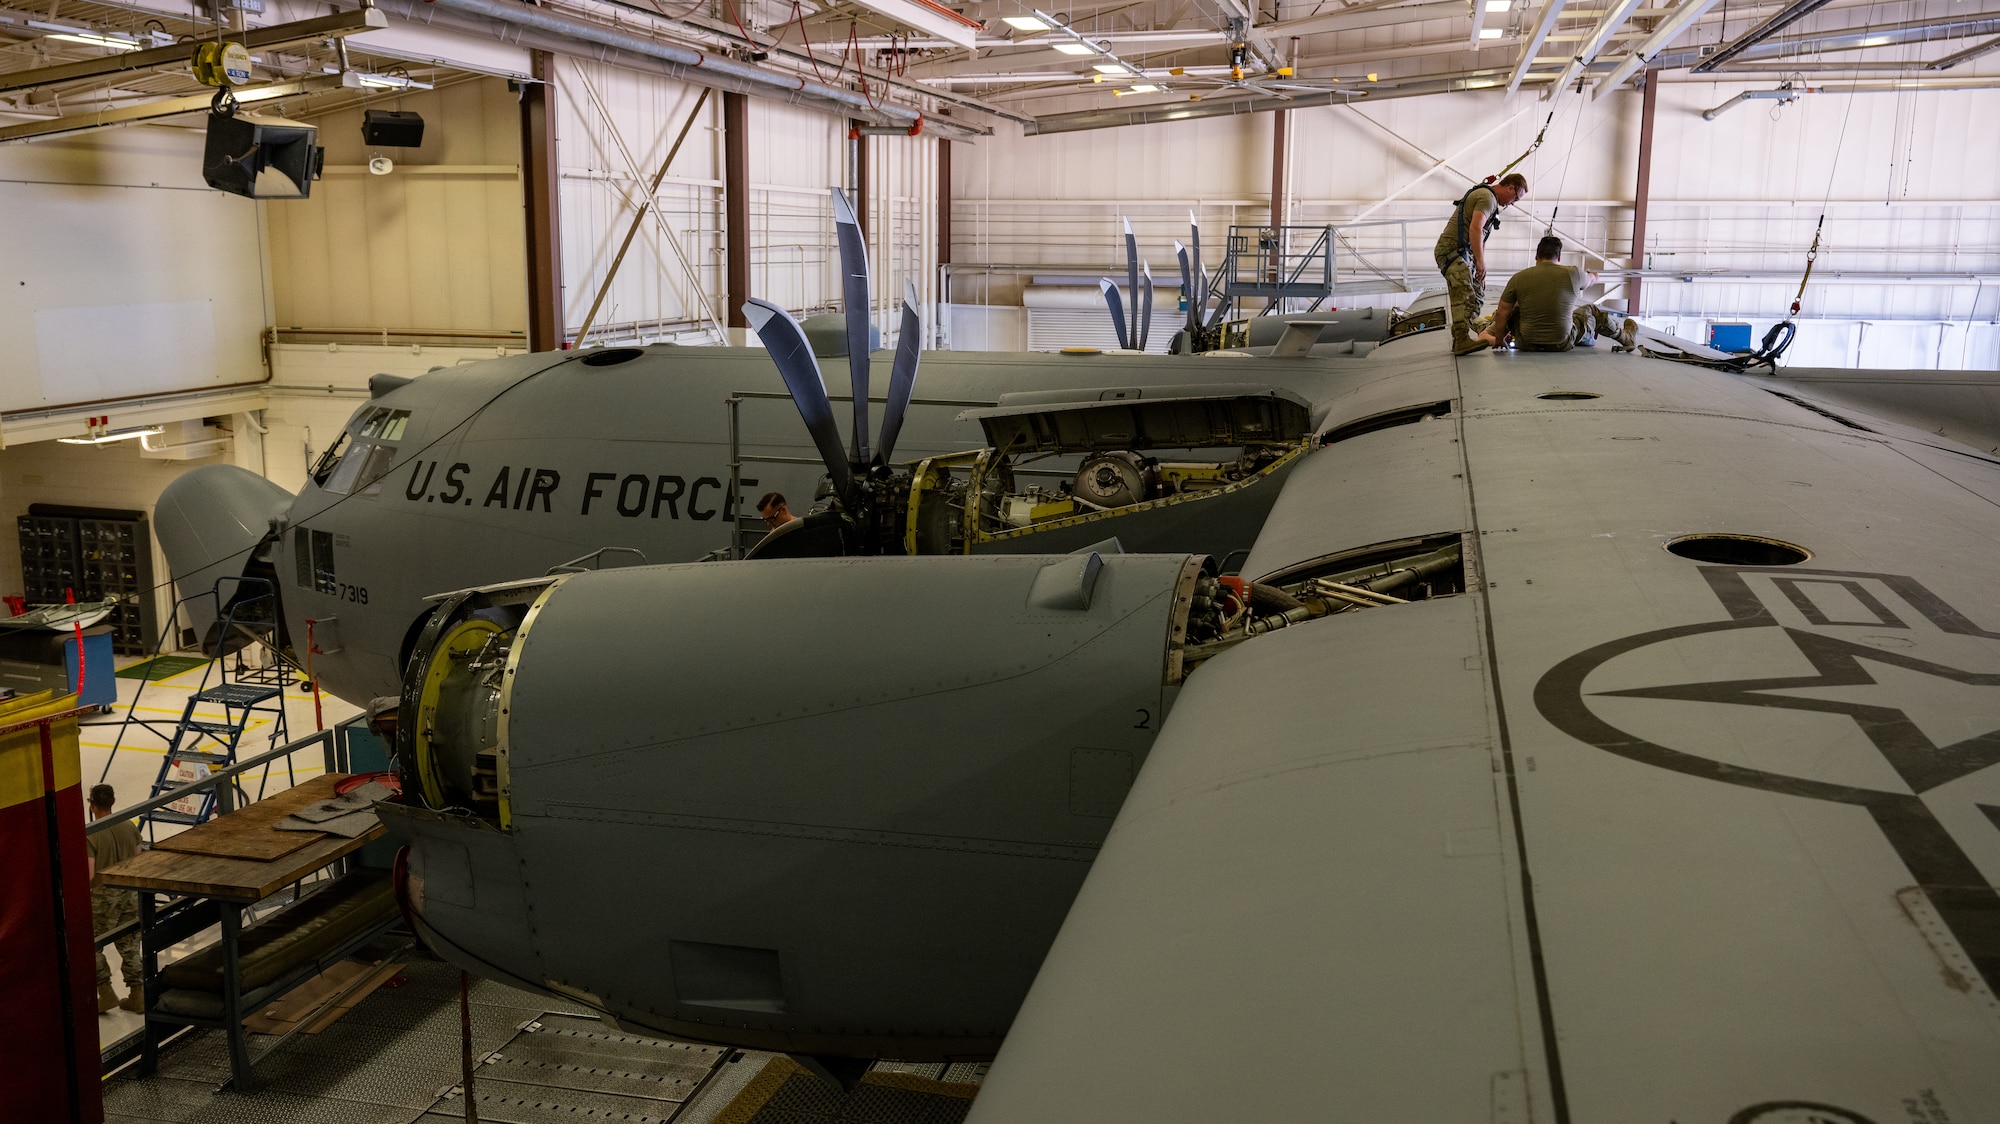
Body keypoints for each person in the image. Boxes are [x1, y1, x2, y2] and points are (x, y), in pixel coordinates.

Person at [1479, 235, 1639, 352]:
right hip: (1562, 343)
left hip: (1526, 343)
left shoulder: (1519, 278)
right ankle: (1625, 337)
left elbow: (1502, 312)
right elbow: (1592, 279)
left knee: (1514, 311)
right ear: (1559, 256)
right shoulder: (1573, 273)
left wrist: (1499, 340)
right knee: (1592, 310)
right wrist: (1593, 276)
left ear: (1536, 255)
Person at [1435, 172, 1528, 355]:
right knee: (1465, 294)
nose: (1512, 203)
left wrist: (1479, 268)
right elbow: (1475, 228)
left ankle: (1461, 337)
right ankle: (1461, 340)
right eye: (1515, 198)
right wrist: (1480, 263)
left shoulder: (1490, 201)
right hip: (1451, 251)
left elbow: (1481, 237)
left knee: (1477, 295)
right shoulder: (1487, 198)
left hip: (1464, 256)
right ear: (1510, 188)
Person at [86, 783, 144, 1014]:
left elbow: (89, 874)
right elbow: (139, 860)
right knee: (129, 944)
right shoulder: (129, 826)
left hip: (103, 899)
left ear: (92, 804)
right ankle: (137, 994)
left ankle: (106, 992)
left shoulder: (90, 834)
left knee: (90, 945)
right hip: (128, 894)